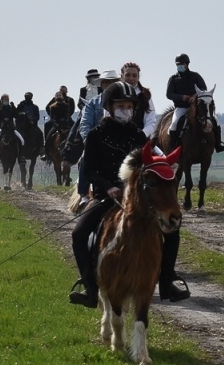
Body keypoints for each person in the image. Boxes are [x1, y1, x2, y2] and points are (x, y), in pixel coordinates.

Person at [68, 82, 190, 307]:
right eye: (121, 106)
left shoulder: (137, 134)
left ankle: (167, 282)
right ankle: (89, 287)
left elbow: (150, 162)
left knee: (172, 231)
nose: (126, 110)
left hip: (135, 197)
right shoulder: (96, 135)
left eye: (129, 107)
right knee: (79, 233)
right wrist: (108, 187)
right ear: (110, 107)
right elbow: (89, 169)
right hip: (106, 195)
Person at [74, 71, 121, 204]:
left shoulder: (123, 102)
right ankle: (83, 194)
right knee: (85, 159)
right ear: (103, 84)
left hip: (119, 143)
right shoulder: (93, 103)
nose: (110, 85)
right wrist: (89, 141)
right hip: (97, 143)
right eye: (107, 82)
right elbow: (85, 124)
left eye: (113, 82)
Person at [164, 54, 224, 152]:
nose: (179, 66)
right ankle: (174, 147)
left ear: (187, 64)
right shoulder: (173, 78)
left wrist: (194, 96)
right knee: (174, 124)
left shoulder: (195, 76)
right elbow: (169, 94)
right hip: (181, 107)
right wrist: (182, 97)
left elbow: (203, 88)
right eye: (178, 64)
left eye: (182, 64)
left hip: (197, 107)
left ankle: (218, 144)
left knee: (215, 120)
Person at [119, 62, 159, 138]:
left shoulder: (145, 95)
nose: (131, 78)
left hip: (140, 138)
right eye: (128, 75)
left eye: (134, 75)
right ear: (122, 76)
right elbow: (108, 116)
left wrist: (142, 135)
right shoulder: (114, 93)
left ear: (138, 77)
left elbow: (151, 121)